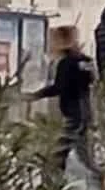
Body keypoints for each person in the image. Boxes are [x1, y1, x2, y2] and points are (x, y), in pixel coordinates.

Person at [31, 25, 101, 181]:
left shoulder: (66, 63)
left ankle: (50, 189)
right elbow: (91, 81)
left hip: (74, 115)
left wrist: (34, 95)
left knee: (56, 155)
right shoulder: (85, 60)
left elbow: (59, 87)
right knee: (86, 158)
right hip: (85, 112)